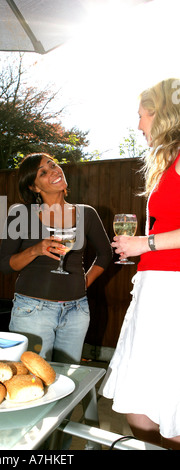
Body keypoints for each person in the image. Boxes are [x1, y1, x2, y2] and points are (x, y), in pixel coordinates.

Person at [100, 78, 180, 450]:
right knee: (140, 411)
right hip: (154, 286)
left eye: (141, 115)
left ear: (161, 114)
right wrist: (142, 250)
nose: (138, 125)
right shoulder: (167, 164)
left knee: (165, 410)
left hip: (172, 291)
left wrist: (143, 243)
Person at [0, 153, 112, 364]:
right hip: (33, 311)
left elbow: (105, 254)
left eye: (53, 165)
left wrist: (84, 282)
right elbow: (6, 265)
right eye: (43, 172)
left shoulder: (86, 213)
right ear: (34, 187)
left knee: (68, 381)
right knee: (34, 380)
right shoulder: (21, 214)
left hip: (76, 312)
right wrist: (35, 250)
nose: (53, 170)